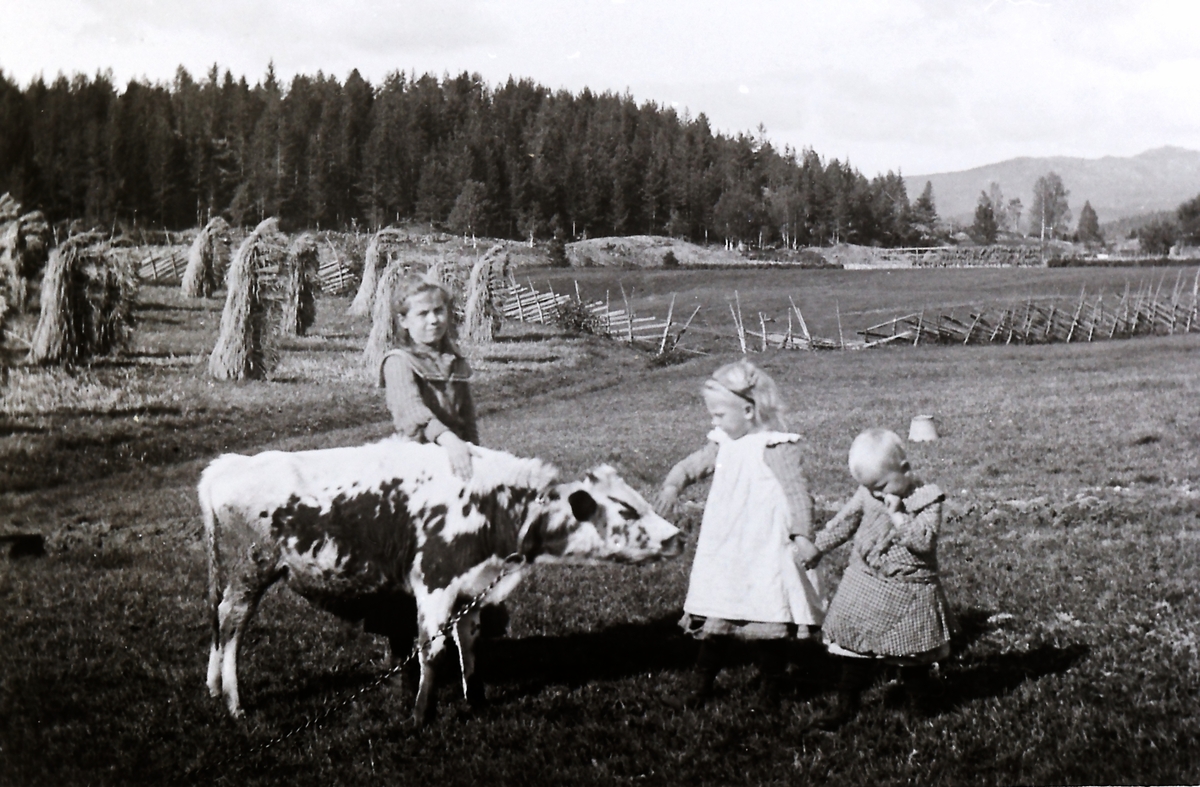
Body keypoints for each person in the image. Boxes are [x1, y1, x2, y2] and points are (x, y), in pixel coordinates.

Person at [655, 359, 826, 711]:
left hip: (765, 547)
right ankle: (700, 688)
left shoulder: (776, 447)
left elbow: (798, 495)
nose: (713, 422)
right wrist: (674, 483)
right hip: (729, 545)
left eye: (719, 415)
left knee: (769, 617)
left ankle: (770, 692)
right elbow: (693, 464)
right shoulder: (723, 443)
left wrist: (803, 534)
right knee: (719, 611)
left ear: (748, 410)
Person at [803, 428, 957, 730]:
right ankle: (846, 705)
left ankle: (919, 710)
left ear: (905, 469)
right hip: (865, 581)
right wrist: (818, 546)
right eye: (870, 488)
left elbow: (924, 542)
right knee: (855, 652)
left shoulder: (928, 499)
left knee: (912, 657)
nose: (877, 494)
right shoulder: (868, 494)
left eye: (882, 485)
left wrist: (900, 517)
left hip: (908, 587)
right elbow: (845, 521)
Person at [379, 277, 477, 479]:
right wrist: (450, 441)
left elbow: (467, 421)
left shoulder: (455, 360)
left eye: (439, 311)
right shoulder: (399, 362)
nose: (433, 320)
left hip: (457, 454)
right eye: (423, 314)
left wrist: (472, 453)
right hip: (418, 461)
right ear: (404, 321)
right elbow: (412, 413)